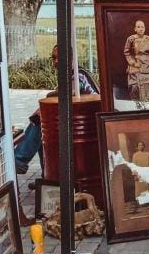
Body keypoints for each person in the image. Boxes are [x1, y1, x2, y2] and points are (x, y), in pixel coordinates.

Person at [14, 45, 98, 174]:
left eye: (60, 57)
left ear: (70, 58)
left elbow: (68, 93)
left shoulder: (78, 74)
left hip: (88, 121)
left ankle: (21, 159)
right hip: (79, 117)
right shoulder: (70, 74)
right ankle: (46, 176)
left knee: (40, 124)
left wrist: (50, 96)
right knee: (41, 125)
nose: (56, 61)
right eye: (54, 58)